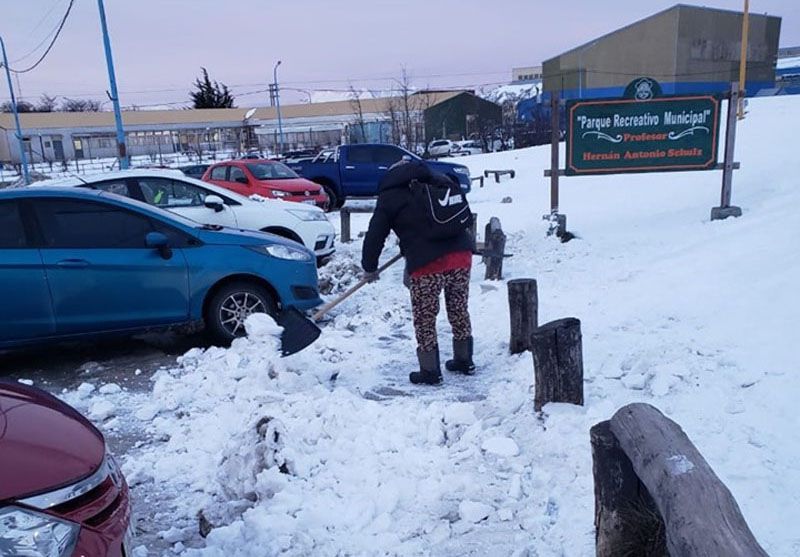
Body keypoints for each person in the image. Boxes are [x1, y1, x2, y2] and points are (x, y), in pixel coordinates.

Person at [361, 159, 475, 386]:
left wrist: (369, 267)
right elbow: (465, 217)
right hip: (461, 255)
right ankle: (464, 360)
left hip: (427, 264)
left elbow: (375, 235)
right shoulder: (441, 181)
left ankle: (430, 371)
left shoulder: (389, 196)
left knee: (425, 317)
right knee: (458, 308)